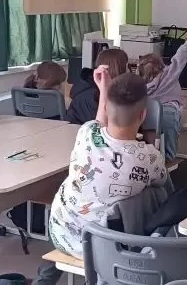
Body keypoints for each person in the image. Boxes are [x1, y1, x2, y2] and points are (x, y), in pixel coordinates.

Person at [48, 66, 168, 259]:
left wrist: (104, 89)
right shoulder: (149, 157)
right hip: (104, 245)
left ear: (104, 108)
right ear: (143, 115)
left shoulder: (86, 133)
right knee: (155, 192)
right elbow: (162, 181)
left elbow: (98, 125)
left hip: (61, 231)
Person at [137, 21, 187, 161]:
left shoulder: (140, 84)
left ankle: (151, 158)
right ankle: (168, 159)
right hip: (169, 113)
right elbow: (181, 56)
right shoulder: (169, 74)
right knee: (169, 152)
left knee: (151, 142)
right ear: (161, 65)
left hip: (148, 114)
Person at [67, 48, 129, 125]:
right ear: (118, 68)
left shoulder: (89, 86)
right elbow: (102, 126)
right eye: (126, 66)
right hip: (83, 131)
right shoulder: (93, 95)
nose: (128, 70)